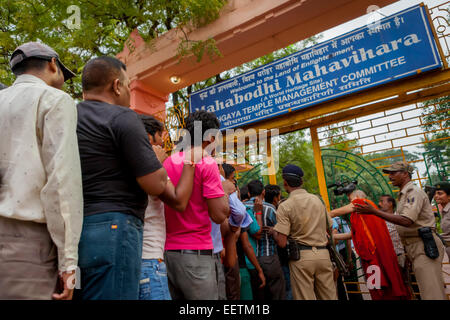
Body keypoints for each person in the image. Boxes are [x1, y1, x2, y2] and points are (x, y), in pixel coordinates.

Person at [76, 56, 169, 300]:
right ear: (116, 86)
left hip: (76, 228)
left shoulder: (67, 117)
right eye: (127, 85)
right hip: (115, 228)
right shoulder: (122, 117)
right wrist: (156, 160)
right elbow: (155, 183)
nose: (128, 91)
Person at [0, 42, 82, 300]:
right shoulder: (55, 100)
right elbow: (61, 183)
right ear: (52, 64)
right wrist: (69, 265)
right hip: (28, 246)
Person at [355, 162, 447, 300]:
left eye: (393, 173)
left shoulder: (413, 192)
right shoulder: (404, 195)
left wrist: (374, 212)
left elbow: (406, 220)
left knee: (432, 293)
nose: (390, 176)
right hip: (414, 246)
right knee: (426, 291)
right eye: (389, 173)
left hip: (423, 245)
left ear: (405, 174)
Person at [163, 110, 229, 300]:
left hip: (168, 254)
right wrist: (224, 189)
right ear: (210, 138)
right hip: (196, 255)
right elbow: (218, 215)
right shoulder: (207, 162)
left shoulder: (168, 161)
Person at [138, 114, 197, 300]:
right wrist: (190, 160)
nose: (164, 148)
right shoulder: (148, 166)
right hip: (149, 261)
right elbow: (179, 202)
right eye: (161, 140)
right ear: (149, 138)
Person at [269, 164, 337, 300]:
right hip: (323, 255)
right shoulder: (317, 201)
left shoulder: (285, 206)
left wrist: (274, 232)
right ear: (301, 182)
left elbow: (282, 243)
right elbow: (330, 228)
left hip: (301, 258)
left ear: (285, 182)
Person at [331, 189, 410, 300]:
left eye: (350, 200)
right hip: (377, 255)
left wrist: (321, 215)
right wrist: (332, 237)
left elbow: (335, 213)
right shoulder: (366, 213)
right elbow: (351, 235)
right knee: (379, 285)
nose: (351, 203)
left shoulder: (362, 203)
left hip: (374, 256)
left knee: (378, 287)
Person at [250, 183, 286, 300]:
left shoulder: (241, 206)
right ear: (263, 192)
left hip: (249, 260)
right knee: (277, 292)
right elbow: (281, 234)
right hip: (268, 257)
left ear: (249, 193)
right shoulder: (270, 208)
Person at [265, 184, 293, 300]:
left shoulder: (266, 211)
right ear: (276, 197)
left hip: (272, 256)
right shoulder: (274, 212)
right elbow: (283, 240)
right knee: (288, 287)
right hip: (283, 256)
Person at [378, 194, 406, 268]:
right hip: (385, 257)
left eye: (381, 201)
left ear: (390, 204)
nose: (379, 204)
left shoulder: (400, 218)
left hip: (400, 255)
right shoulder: (378, 220)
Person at [434, 181, 450, 259]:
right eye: (435, 194)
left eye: (440, 193)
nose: (436, 196)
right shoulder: (444, 211)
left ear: (449, 196)